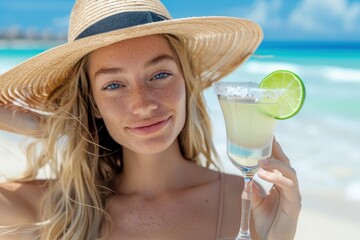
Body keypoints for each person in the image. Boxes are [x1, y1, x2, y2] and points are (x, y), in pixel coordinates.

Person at [0, 0, 301, 239]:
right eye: (114, 85)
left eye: (159, 75)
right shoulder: (52, 209)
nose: (142, 104)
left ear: (187, 82)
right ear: (92, 103)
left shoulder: (245, 202)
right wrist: (46, 127)